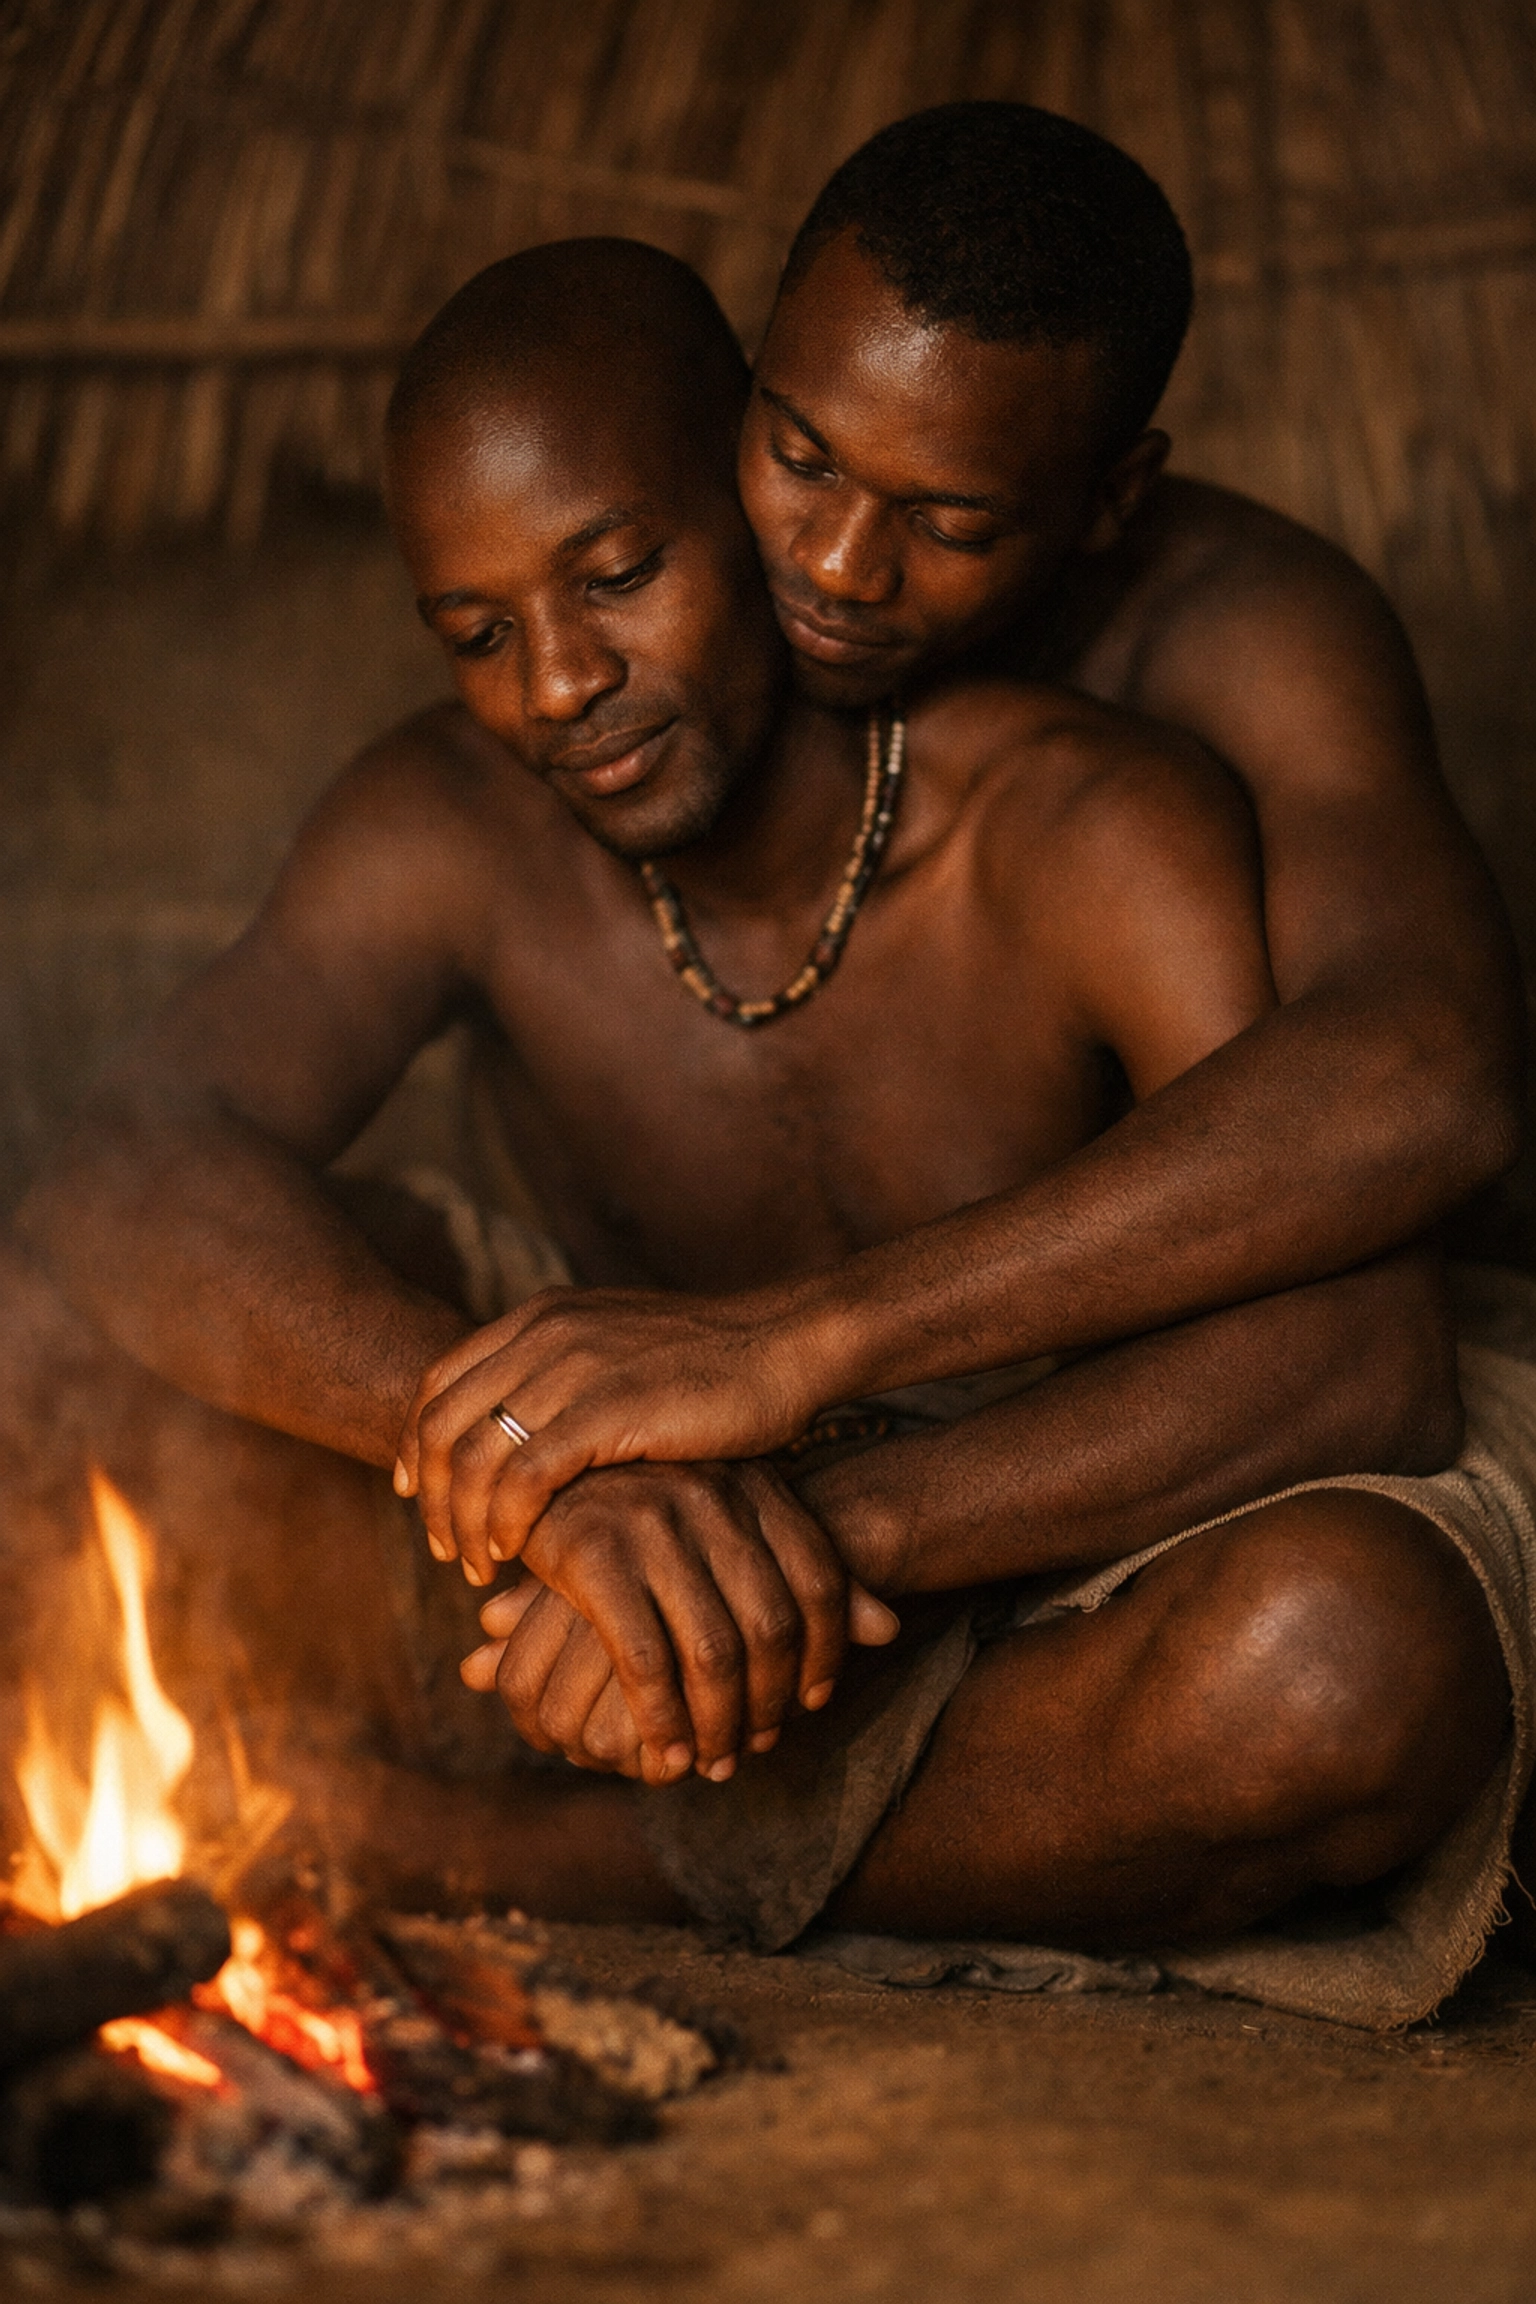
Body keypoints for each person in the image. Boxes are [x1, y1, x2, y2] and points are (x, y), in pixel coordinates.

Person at [20, 242, 1533, 2032]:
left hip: (1078, 1489)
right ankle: (653, 1714)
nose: (562, 682)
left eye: (620, 574)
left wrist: (788, 1534)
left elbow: (1356, 1351)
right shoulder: (444, 822)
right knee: (54, 1355)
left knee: (1331, 1670)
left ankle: (485, 1846)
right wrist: (549, 1473)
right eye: (479, 632)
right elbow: (121, 1166)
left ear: (753, 493)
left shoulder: (1088, 815)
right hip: (642, 1485)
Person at [391, 104, 1525, 1591]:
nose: (836, 564)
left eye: (949, 519)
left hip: (1183, 1383)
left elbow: (1426, 1079)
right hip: (758, 1409)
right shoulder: (638, 649)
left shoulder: (1242, 632)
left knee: (1338, 1641)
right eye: (801, 454)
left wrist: (801, 1349)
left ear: (1113, 494)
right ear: (747, 382)